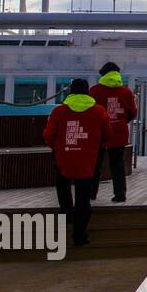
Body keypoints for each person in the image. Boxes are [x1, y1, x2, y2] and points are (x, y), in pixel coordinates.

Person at [43, 78, 110, 247]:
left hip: (63, 156)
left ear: (70, 91)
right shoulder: (99, 111)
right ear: (87, 91)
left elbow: (48, 134)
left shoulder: (59, 111)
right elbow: (107, 134)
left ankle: (66, 213)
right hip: (88, 159)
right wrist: (96, 146)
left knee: (62, 184)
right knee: (83, 199)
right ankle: (79, 236)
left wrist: (57, 148)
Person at [90, 62, 137, 203]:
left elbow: (90, 111)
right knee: (117, 165)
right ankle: (120, 193)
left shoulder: (94, 90)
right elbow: (132, 113)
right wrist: (120, 121)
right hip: (119, 132)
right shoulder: (126, 91)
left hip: (99, 133)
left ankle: (91, 193)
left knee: (95, 164)